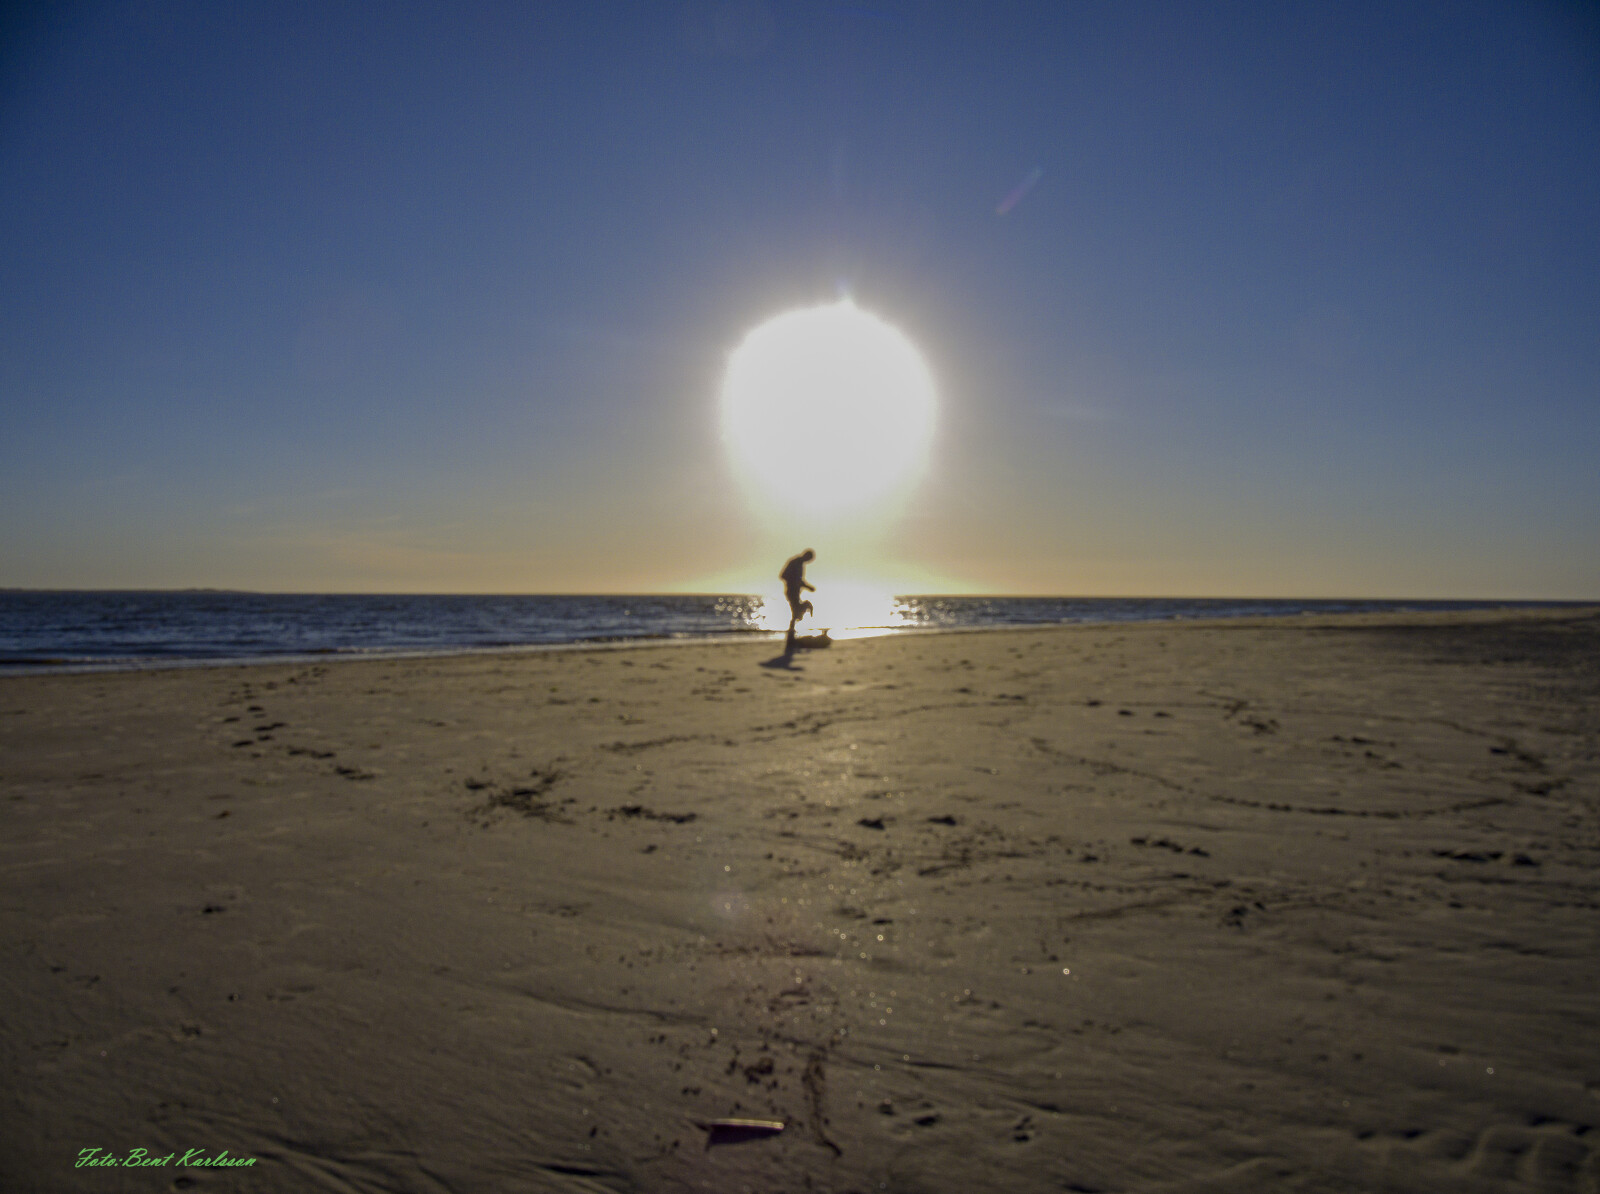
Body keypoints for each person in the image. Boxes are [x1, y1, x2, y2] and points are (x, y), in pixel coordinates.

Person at [780, 549, 815, 641]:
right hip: (791, 591)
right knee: (796, 613)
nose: (808, 561)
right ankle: (807, 605)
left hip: (795, 592)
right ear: (806, 555)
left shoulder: (800, 564)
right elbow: (783, 575)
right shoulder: (795, 562)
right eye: (809, 559)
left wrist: (807, 586)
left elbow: (799, 580)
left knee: (796, 614)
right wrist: (793, 582)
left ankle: (791, 634)